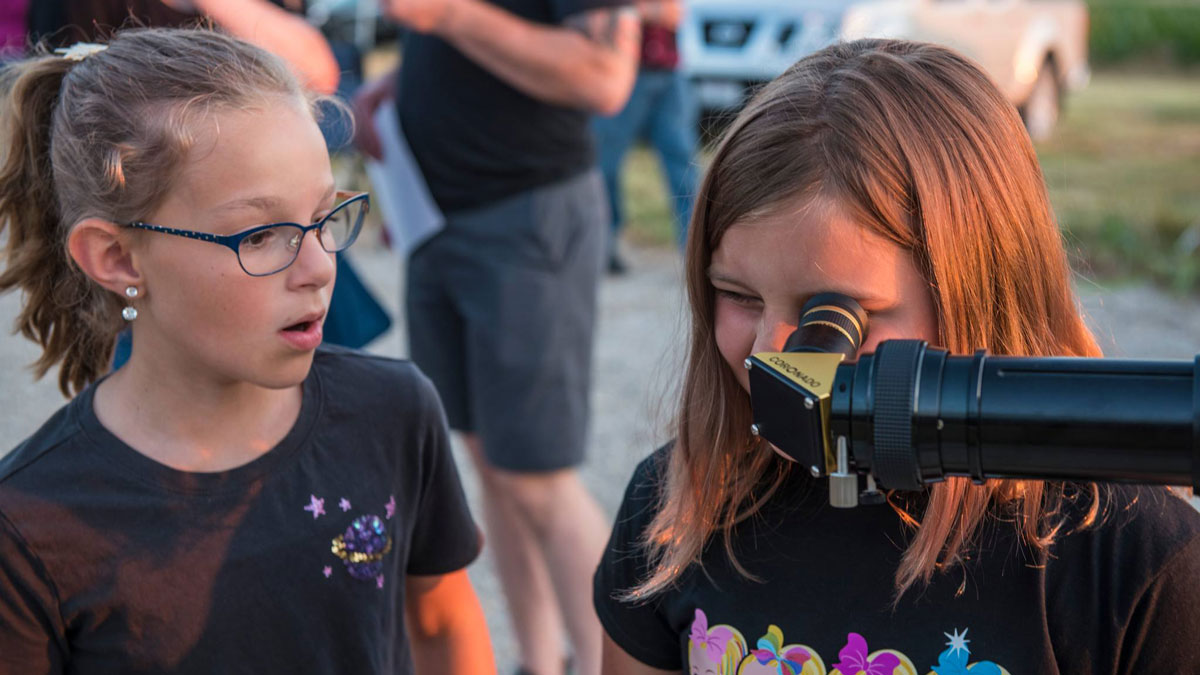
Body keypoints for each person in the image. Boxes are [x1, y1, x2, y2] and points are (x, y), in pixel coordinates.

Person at [593, 39, 1200, 675]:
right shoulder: (672, 510)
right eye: (739, 296)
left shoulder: (1132, 563)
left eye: (833, 318)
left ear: (979, 296)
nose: (771, 352)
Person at [0, 27, 493, 674]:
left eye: (323, 217)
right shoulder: (29, 526)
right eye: (262, 234)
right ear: (117, 257)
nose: (319, 267)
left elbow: (444, 624)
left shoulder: (393, 411)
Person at [353, 2, 642, 674]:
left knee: (538, 476)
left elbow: (602, 77)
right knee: (493, 464)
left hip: (526, 216)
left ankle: (614, 664)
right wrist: (400, 85)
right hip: (437, 214)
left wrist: (449, 15)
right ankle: (541, 663)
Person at [592, 0, 698, 274]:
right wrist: (650, 12)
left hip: (667, 71)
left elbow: (673, 13)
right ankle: (603, 245)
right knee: (606, 164)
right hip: (623, 70)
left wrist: (640, 12)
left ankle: (695, 250)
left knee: (683, 165)